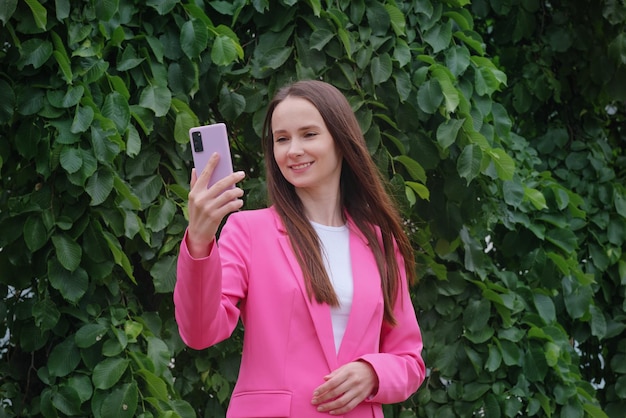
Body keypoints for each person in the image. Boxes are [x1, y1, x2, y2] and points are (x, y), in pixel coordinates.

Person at [174, 80, 425, 417]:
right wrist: (200, 240)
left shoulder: (380, 243)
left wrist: (372, 373)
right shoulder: (249, 230)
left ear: (341, 140)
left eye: (308, 134)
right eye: (281, 139)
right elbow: (200, 332)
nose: (293, 150)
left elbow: (409, 360)